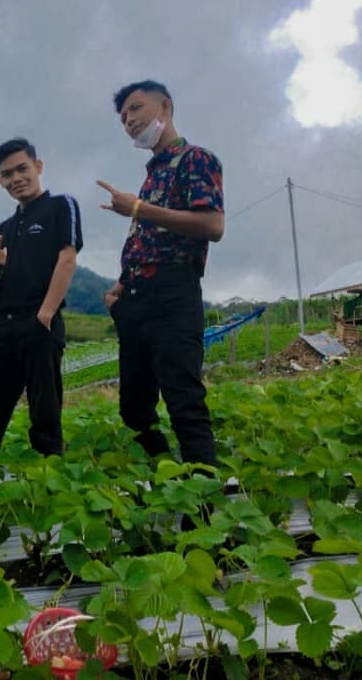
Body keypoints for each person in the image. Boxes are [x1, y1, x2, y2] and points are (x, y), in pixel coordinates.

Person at [97, 80, 224, 468]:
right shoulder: (153, 174)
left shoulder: (195, 159)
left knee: (184, 400)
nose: (129, 121)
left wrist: (137, 208)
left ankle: (203, 496)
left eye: (136, 109)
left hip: (173, 294)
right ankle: (166, 478)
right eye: (123, 118)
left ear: (164, 107)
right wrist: (120, 288)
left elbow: (212, 225)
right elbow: (150, 240)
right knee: (134, 408)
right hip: (136, 297)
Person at [0, 138, 82, 465]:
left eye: (22, 169)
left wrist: (45, 315)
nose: (16, 178)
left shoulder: (61, 206)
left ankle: (48, 482)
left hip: (39, 324)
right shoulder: (2, 229)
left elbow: (67, 258)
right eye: (7, 174)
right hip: (3, 327)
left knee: (44, 414)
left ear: (38, 167)